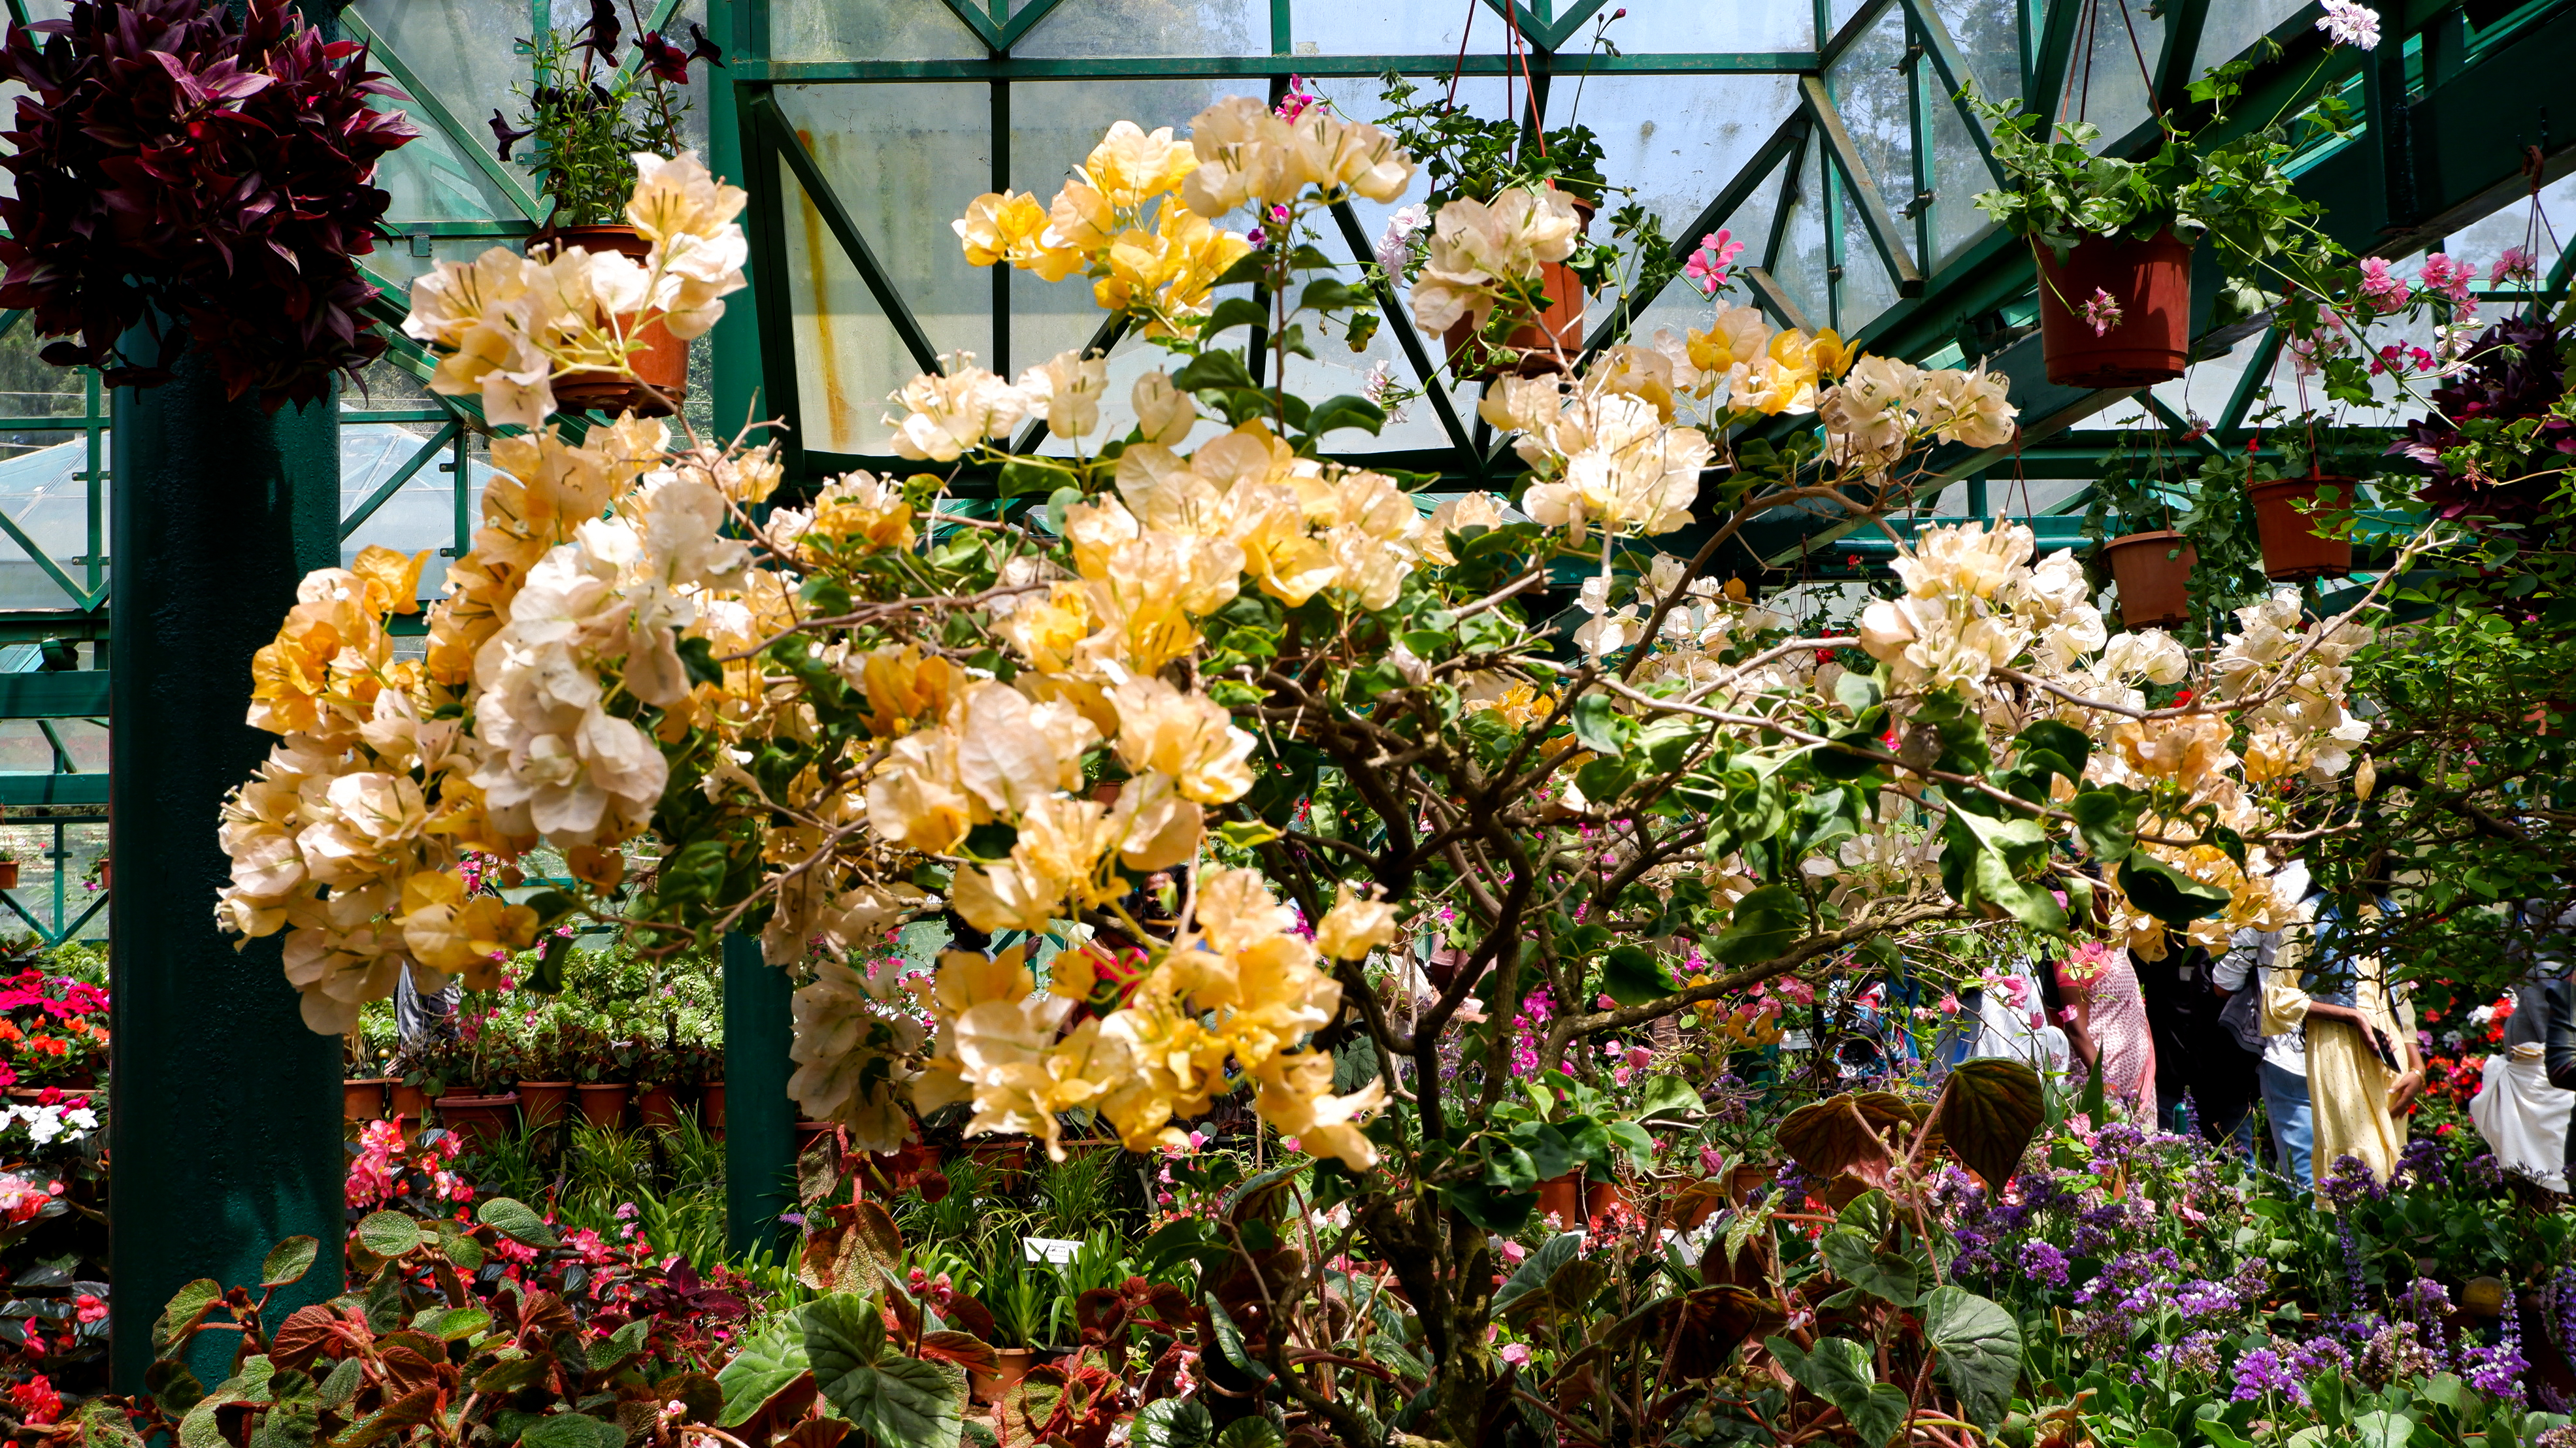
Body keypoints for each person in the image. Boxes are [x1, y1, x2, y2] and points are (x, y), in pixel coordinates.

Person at [2259, 893, 2422, 1193]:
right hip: (2336, 1045)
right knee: (2356, 1152)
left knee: (2395, 1160)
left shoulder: (2391, 913)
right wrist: (2351, 1016)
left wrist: (2418, 1067)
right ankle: (2349, 1236)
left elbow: (2400, 997)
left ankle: (2393, 1238)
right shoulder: (2308, 914)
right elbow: (2277, 998)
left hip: (2391, 1049)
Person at [2215, 859, 2313, 1183]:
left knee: (2305, 1175)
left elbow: (2224, 981)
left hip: (2288, 1049)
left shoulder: (2273, 892)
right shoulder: (2374, 903)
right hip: (2354, 1048)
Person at [2055, 940, 2156, 1122]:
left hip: (2134, 1082)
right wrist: (2105, 1084)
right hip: (2105, 1085)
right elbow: (2076, 1031)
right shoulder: (2075, 952)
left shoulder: (2116, 945)